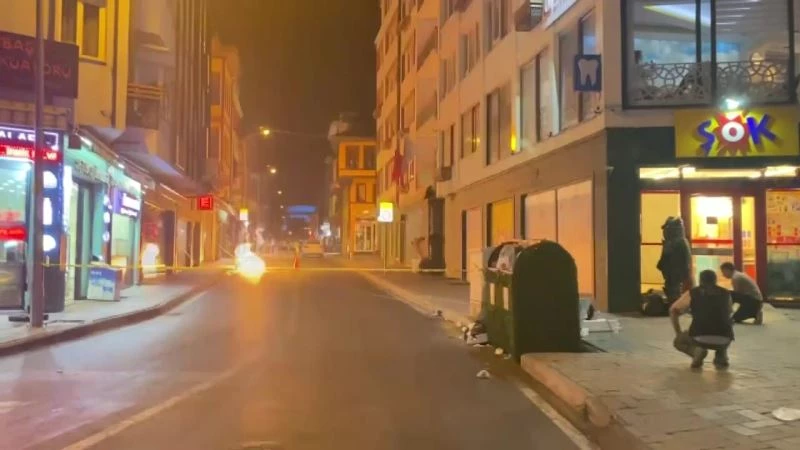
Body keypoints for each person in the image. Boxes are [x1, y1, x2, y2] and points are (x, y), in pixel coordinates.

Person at [669, 269, 734, 369]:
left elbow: (673, 310)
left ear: (700, 280)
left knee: (679, 341)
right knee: (723, 327)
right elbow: (729, 312)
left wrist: (678, 333)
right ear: (715, 280)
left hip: (700, 336)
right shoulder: (726, 293)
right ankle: (721, 355)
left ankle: (696, 352)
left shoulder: (693, 293)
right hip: (725, 337)